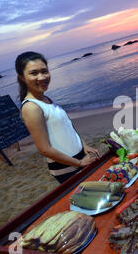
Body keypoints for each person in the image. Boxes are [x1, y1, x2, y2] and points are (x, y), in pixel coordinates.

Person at [16, 51, 100, 183]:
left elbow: (67, 128)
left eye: (44, 71)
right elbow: (45, 149)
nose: (42, 77)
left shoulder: (45, 99)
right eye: (34, 73)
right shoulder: (31, 107)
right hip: (67, 167)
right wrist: (79, 163)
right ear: (21, 77)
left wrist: (84, 146)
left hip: (80, 158)